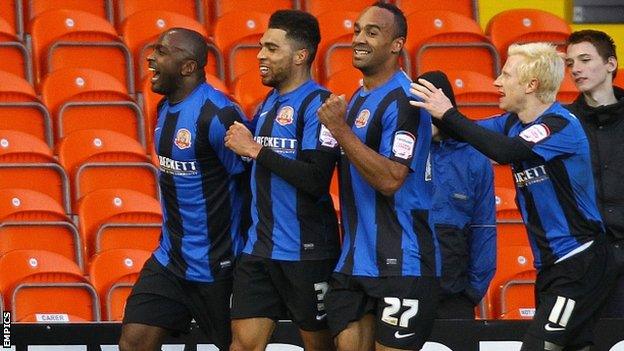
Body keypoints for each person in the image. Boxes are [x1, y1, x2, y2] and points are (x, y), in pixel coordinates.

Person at [411, 42, 618, 351]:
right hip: (552, 266)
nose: (496, 82)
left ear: (531, 85)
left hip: (579, 262)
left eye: (506, 75)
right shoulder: (512, 123)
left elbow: (506, 151)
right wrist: (432, 111)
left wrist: (448, 113)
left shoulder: (559, 125)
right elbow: (465, 132)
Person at [317, 3, 441, 350]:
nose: (358, 39)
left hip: (403, 262)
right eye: (357, 30)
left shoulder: (406, 101)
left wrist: (340, 130)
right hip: (355, 261)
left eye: (372, 32)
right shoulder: (356, 98)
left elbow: (390, 179)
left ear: (396, 44)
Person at [118, 28, 248, 351]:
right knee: (133, 343)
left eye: (162, 52)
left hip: (219, 268)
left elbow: (250, 185)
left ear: (188, 67)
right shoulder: (162, 111)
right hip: (170, 261)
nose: (151, 57)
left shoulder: (219, 115)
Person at [224, 10, 340, 351]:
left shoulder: (320, 104)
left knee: (318, 345)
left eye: (272, 48)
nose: (261, 55)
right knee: (243, 345)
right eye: (262, 46)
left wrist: (257, 150)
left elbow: (317, 179)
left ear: (300, 56)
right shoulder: (268, 103)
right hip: (259, 251)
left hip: (306, 253)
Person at [420, 71, 497, 319]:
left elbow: (484, 226)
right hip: (408, 289)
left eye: (428, 108)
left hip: (455, 295)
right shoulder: (403, 153)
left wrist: (472, 292)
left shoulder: (474, 157)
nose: (422, 117)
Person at [565, 29, 624, 318]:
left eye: (585, 59)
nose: (576, 69)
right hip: (585, 262)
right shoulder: (562, 122)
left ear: (610, 64)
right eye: (570, 63)